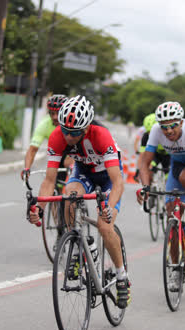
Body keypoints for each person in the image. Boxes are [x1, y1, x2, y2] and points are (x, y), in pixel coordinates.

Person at [26, 95, 130, 309]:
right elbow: (49, 180)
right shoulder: (58, 136)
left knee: (104, 225)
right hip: (83, 172)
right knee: (68, 196)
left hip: (108, 177)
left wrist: (108, 209)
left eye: (74, 133)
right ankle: (78, 246)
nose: (68, 135)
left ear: (86, 128)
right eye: (65, 130)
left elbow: (118, 182)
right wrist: (39, 207)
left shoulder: (101, 135)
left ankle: (122, 276)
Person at [137, 102, 185, 290]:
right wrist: (145, 187)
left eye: (173, 125)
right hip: (176, 165)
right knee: (172, 216)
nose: (169, 130)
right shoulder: (156, 131)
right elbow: (144, 162)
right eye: (165, 127)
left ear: (181, 122)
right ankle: (175, 269)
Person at [21, 95, 72, 184]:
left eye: (58, 113)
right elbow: (32, 150)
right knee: (51, 178)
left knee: (68, 165)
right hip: (57, 151)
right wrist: (27, 168)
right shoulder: (44, 125)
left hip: (73, 152)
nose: (55, 117)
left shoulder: (72, 124)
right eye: (52, 113)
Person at [135, 113, 171, 183]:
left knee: (169, 178)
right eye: (148, 132)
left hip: (168, 155)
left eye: (152, 132)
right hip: (156, 155)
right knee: (148, 169)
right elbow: (142, 156)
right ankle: (150, 187)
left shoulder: (168, 134)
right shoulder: (145, 137)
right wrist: (138, 170)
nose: (150, 135)